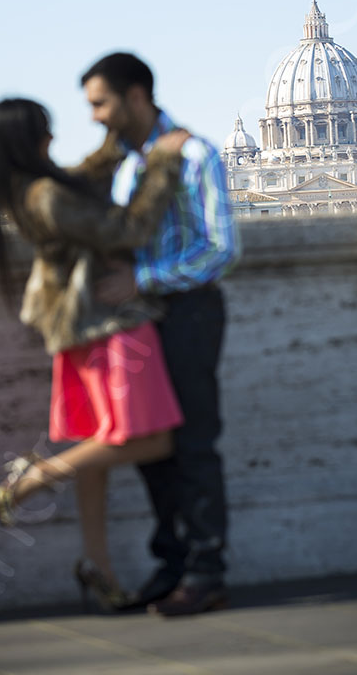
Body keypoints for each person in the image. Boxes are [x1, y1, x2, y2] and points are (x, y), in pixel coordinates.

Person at [0, 97, 190, 611]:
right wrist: (162, 161)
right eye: (45, 132)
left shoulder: (28, 191)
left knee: (97, 444)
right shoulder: (47, 195)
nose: (53, 140)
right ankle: (30, 480)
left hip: (76, 329)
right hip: (108, 323)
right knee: (154, 440)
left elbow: (83, 182)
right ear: (28, 140)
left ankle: (98, 565)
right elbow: (128, 230)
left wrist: (114, 145)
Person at [80, 52, 239, 617]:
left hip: (188, 312)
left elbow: (220, 248)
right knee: (151, 445)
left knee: (194, 442)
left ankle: (205, 571)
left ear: (136, 96)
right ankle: (172, 565)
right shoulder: (121, 165)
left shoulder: (196, 153)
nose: (95, 116)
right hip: (137, 322)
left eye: (101, 103)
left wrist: (141, 279)